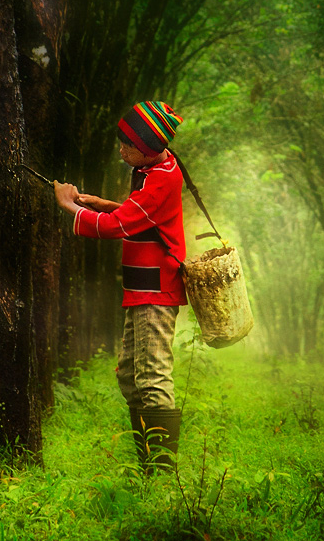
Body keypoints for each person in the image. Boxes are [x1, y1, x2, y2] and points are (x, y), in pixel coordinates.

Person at [53, 101, 186, 472]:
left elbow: (120, 226)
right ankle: (150, 462)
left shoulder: (160, 177)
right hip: (143, 287)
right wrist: (104, 204)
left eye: (126, 145)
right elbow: (141, 216)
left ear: (145, 147)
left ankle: (160, 473)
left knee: (152, 377)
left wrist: (71, 207)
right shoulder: (155, 165)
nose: (120, 150)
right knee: (130, 375)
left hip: (155, 290)